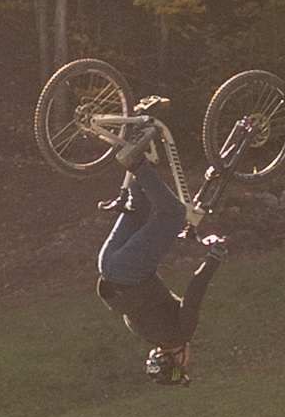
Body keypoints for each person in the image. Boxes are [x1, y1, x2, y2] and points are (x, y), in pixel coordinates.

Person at [92, 104, 222, 383]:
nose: (191, 362)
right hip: (107, 265)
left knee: (173, 213)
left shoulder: (179, 334)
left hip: (129, 271)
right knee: (140, 207)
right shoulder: (146, 333)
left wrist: (215, 257)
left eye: (186, 367)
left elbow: (195, 292)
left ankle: (136, 161)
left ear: (178, 358)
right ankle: (137, 132)